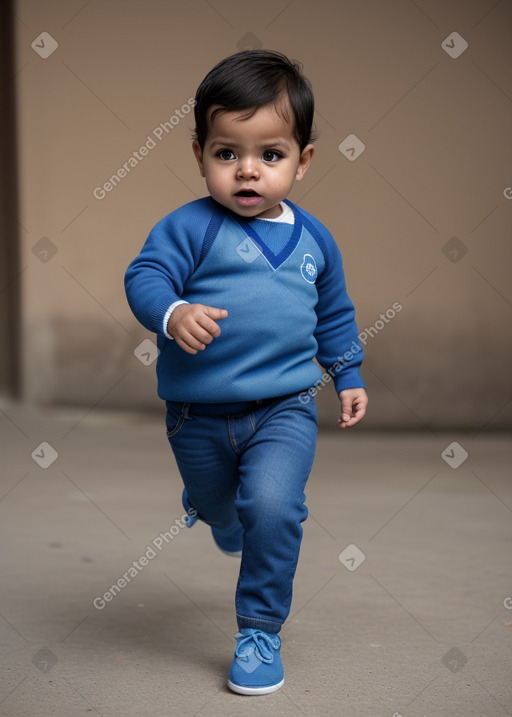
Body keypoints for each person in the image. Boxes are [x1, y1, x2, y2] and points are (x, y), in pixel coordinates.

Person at [124, 49, 368, 696]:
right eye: (226, 153)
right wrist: (172, 312)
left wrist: (349, 373)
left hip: (284, 409)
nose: (248, 170)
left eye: (271, 153)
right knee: (219, 504)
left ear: (303, 160)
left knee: (273, 504)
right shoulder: (191, 228)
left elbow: (335, 314)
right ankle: (215, 510)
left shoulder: (316, 241)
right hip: (196, 415)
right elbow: (144, 276)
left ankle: (259, 630)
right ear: (200, 152)